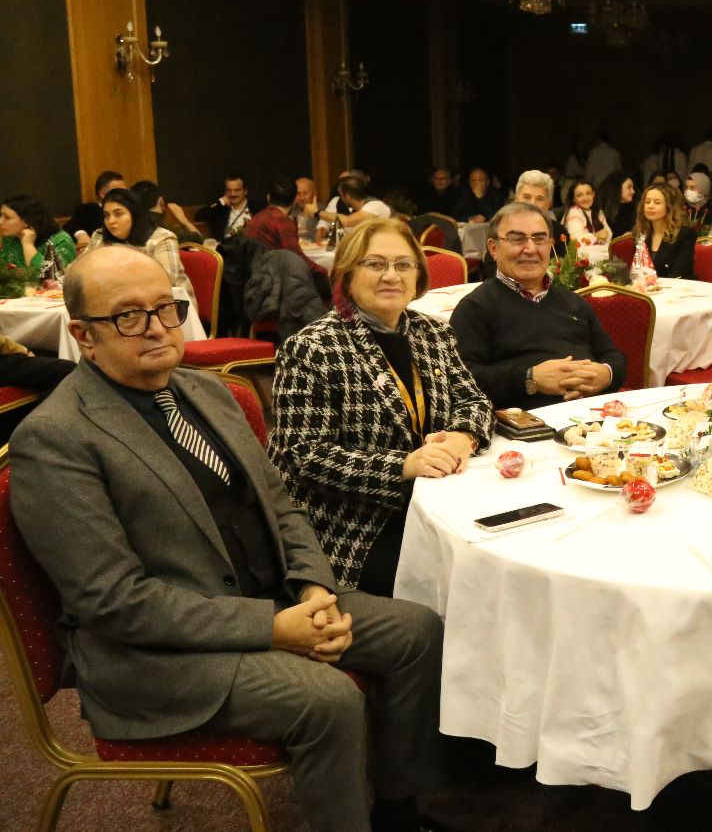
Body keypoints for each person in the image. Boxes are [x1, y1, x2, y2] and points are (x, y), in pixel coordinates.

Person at [12, 245, 454, 832]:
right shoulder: (56, 439)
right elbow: (112, 602)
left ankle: (399, 810)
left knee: (416, 630)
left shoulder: (209, 392)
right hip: (154, 654)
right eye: (127, 316)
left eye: (166, 309)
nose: (156, 328)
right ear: (83, 336)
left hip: (271, 599)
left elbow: (281, 506)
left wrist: (312, 589)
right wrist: (271, 630)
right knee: (328, 698)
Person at [270, 219, 492, 597]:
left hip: (436, 504)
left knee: (493, 557)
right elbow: (307, 458)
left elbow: (475, 400)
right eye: (375, 264)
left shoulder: (432, 333)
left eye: (403, 265)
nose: (391, 275)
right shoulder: (312, 348)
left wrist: (463, 435)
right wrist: (403, 466)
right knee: (465, 582)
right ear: (346, 274)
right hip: (354, 523)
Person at [450, 203, 625, 410]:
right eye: (517, 239)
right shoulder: (475, 308)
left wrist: (606, 374)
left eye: (540, 239)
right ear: (493, 248)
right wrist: (529, 378)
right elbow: (459, 381)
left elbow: (614, 356)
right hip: (526, 427)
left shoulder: (573, 301)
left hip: (595, 416)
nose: (531, 249)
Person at [88, 188, 190, 292]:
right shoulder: (100, 236)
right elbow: (79, 270)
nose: (111, 221)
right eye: (106, 215)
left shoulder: (162, 238)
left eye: (118, 214)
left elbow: (165, 281)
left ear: (134, 214)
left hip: (166, 302)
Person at [246, 178, 331, 287]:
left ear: (269, 198)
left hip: (255, 278)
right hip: (272, 282)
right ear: (294, 199)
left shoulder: (258, 217)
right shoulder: (281, 220)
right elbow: (296, 258)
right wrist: (325, 271)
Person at [0, 194, 76, 281]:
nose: (0, 221)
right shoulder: (9, 239)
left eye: (7, 217)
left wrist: (28, 245)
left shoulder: (61, 240)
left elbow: (50, 280)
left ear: (27, 220)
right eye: (1, 216)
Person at [633, 181, 697, 279]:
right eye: (647, 202)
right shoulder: (641, 233)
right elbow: (636, 272)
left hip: (677, 290)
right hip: (646, 290)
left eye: (657, 202)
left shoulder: (685, 235)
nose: (650, 206)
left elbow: (678, 274)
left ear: (669, 207)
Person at [198, 173, 263, 240]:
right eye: (229, 190)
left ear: (245, 191)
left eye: (237, 190)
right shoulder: (220, 210)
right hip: (224, 248)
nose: (232, 194)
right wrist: (220, 202)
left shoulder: (257, 207)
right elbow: (199, 215)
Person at [66, 169, 125, 240]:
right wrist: (81, 235)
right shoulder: (89, 209)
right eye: (118, 191)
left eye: (125, 191)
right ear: (102, 194)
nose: (124, 195)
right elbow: (71, 226)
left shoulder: (129, 210)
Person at [562, 179, 613, 250]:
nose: (585, 198)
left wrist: (600, 236)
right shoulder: (574, 211)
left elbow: (609, 234)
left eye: (588, 193)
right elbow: (577, 240)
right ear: (573, 199)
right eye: (579, 195)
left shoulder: (598, 211)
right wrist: (596, 235)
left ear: (593, 194)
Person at [598, 170, 638, 236]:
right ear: (617, 188)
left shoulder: (636, 210)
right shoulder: (602, 212)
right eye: (629, 187)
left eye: (633, 187)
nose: (633, 191)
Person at [293, 176, 322, 240]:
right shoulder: (289, 212)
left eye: (305, 193)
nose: (302, 198)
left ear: (314, 194)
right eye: (298, 194)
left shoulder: (323, 211)